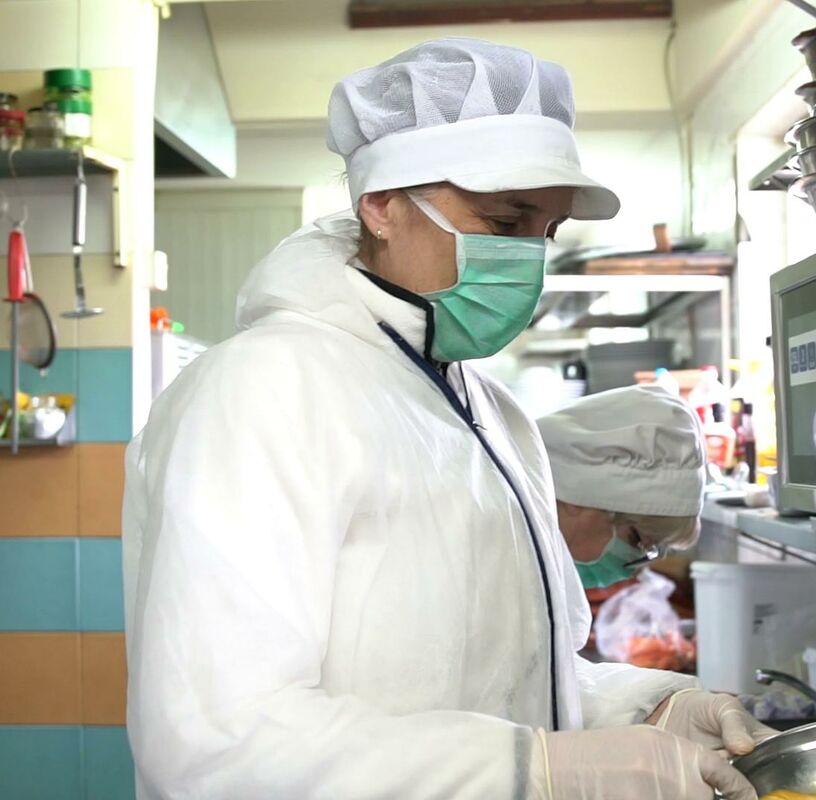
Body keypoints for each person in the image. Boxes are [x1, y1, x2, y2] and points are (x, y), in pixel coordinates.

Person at [122, 39, 763, 800]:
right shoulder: (261, 390)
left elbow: (516, 680)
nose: (531, 259)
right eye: (506, 220)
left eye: (547, 232)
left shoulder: (489, 411)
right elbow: (218, 742)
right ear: (381, 205)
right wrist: (537, 771)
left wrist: (648, 709)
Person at [536, 384, 708, 589]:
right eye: (636, 541)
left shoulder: (533, 562)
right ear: (580, 496)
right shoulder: (506, 555)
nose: (631, 570)